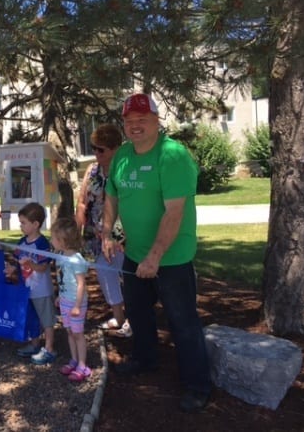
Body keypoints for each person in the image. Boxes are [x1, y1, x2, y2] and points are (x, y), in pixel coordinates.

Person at [102, 93, 212, 412]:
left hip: (172, 257)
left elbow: (174, 212)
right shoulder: (122, 155)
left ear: (156, 121)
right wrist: (107, 233)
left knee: (182, 320)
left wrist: (156, 255)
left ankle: (197, 384)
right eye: (129, 121)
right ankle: (146, 360)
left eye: (142, 120)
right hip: (135, 253)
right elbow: (112, 196)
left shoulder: (173, 155)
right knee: (138, 312)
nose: (135, 126)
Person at [75, 123, 131, 338]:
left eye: (101, 149)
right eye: (93, 148)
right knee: (105, 274)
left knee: (127, 277)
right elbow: (82, 202)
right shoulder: (92, 170)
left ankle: (135, 318)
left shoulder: (125, 170)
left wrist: (117, 234)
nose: (96, 153)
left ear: (115, 148)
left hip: (120, 235)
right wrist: (77, 228)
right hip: (94, 234)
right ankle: (119, 317)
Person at [6, 202, 57, 364]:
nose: (20, 226)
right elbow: (15, 260)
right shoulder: (22, 241)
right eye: (20, 222)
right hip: (26, 290)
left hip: (42, 290)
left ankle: (49, 348)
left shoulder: (43, 243)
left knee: (47, 319)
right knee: (32, 317)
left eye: (23, 223)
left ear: (36, 224)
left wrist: (30, 265)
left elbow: (42, 267)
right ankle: (35, 344)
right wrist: (11, 269)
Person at [51, 216, 92, 382]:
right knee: (69, 331)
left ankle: (83, 365)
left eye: (53, 237)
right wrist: (60, 297)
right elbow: (62, 279)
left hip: (76, 302)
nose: (51, 240)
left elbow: (81, 284)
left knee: (78, 333)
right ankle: (74, 360)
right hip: (65, 300)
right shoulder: (60, 256)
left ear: (62, 240)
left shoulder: (77, 260)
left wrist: (77, 305)